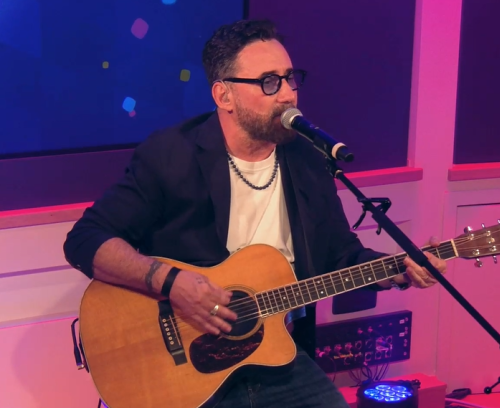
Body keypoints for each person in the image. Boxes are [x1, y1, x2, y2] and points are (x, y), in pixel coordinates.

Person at [63, 18, 447, 408]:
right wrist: (172, 283)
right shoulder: (171, 155)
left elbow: (340, 256)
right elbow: (85, 240)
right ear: (224, 95)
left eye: (290, 78)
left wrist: (399, 270)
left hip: (275, 358)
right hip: (183, 369)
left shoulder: (308, 160)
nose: (288, 94)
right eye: (269, 82)